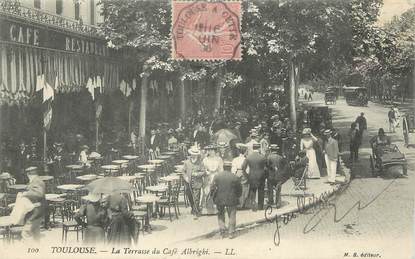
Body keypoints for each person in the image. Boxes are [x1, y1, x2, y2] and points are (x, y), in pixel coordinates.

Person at [210, 160, 242, 239]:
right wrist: (237, 196)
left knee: (220, 214)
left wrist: (213, 197)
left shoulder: (217, 176)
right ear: (230, 168)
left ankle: (222, 232)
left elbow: (212, 188)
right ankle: (231, 233)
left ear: (223, 168)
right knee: (232, 215)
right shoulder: (235, 177)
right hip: (232, 199)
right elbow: (239, 189)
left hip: (219, 199)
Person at [21, 166, 46, 242]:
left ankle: (30, 250)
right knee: (35, 232)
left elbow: (39, 194)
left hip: (36, 210)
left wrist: (26, 193)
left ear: (29, 174)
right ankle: (37, 250)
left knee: (26, 232)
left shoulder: (37, 181)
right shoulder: (36, 180)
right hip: (36, 209)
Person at [241, 143, 267, 211]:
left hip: (252, 176)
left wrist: (247, 175)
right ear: (259, 148)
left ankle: (253, 206)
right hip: (261, 176)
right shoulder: (263, 157)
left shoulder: (249, 157)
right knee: (261, 191)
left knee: (252, 191)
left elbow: (243, 167)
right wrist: (265, 175)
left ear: (253, 148)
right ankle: (260, 207)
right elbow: (266, 167)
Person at [183, 146, 205, 218]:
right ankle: (193, 207)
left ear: (197, 155)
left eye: (195, 154)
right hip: (188, 183)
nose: (193, 155)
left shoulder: (200, 163)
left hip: (197, 183)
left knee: (196, 197)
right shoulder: (187, 162)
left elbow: (203, 172)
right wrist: (185, 177)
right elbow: (183, 171)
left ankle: (196, 212)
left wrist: (197, 174)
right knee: (190, 196)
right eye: (192, 154)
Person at [201, 145, 223, 214]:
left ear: (214, 151)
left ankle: (216, 209)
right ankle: (206, 209)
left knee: (216, 192)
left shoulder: (219, 159)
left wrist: (219, 176)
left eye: (212, 150)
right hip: (208, 177)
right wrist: (206, 172)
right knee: (207, 192)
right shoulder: (205, 159)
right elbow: (203, 169)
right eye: (209, 150)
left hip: (216, 176)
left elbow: (221, 169)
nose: (211, 152)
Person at [231, 143, 249, 209]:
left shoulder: (235, 159)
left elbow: (233, 169)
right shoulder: (246, 159)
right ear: (245, 152)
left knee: (237, 188)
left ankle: (237, 203)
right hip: (244, 173)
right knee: (244, 188)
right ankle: (242, 203)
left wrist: (234, 174)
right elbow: (247, 169)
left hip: (237, 173)